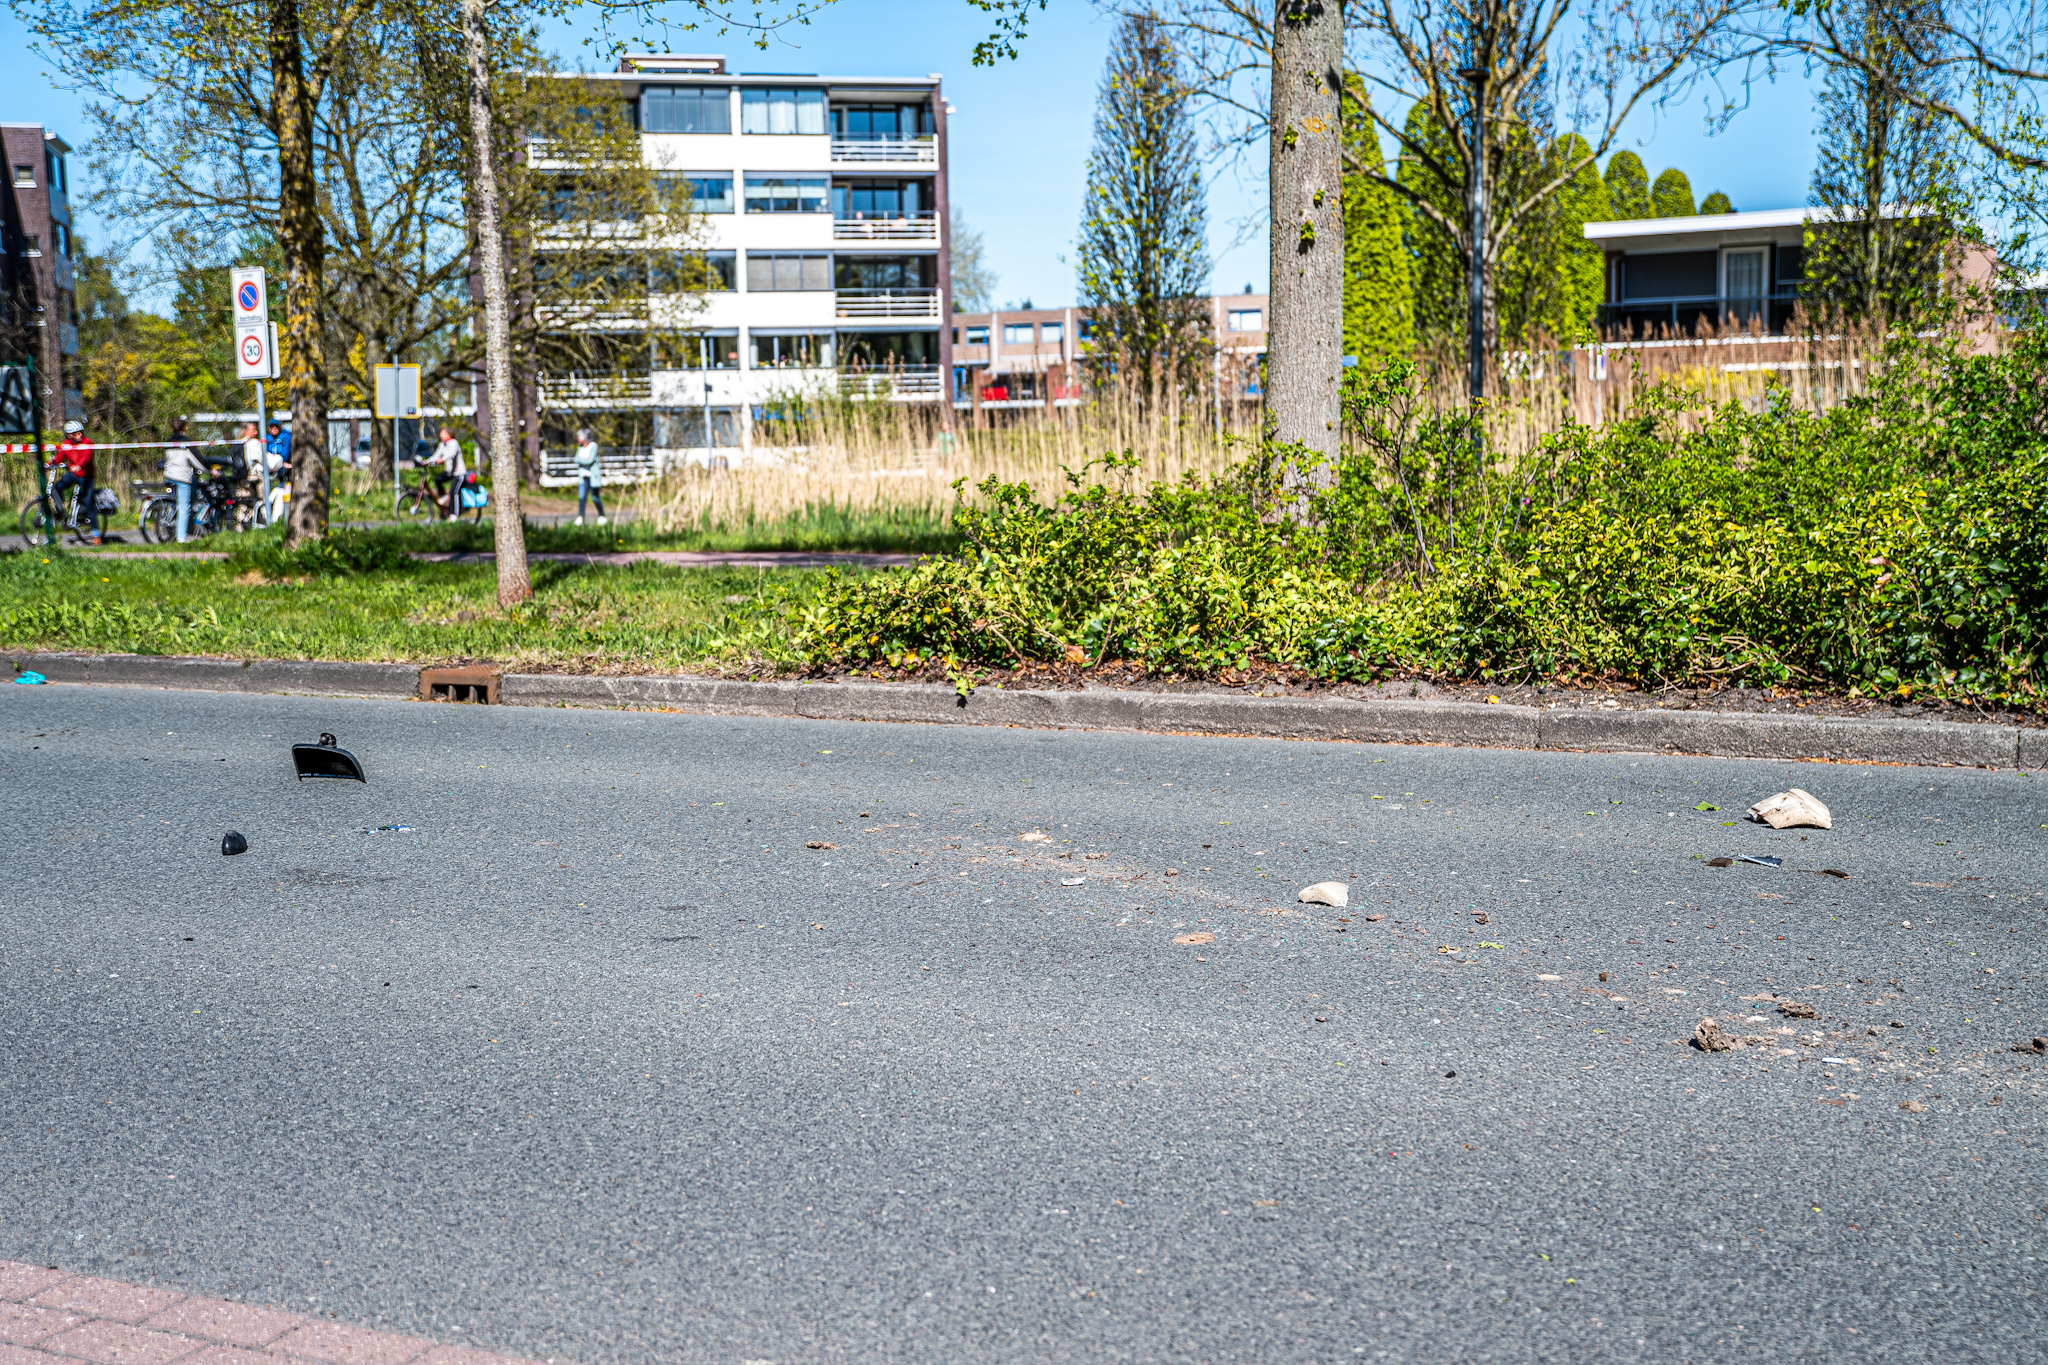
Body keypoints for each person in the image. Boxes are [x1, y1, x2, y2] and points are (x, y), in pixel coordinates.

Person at [51, 420, 99, 545]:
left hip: (86, 475)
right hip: (73, 474)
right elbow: (60, 457)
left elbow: (87, 457)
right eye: (77, 433)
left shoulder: (87, 442)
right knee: (57, 487)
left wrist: (79, 466)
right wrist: (50, 463)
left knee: (88, 503)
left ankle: (96, 534)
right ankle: (61, 511)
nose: (80, 435)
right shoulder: (66, 444)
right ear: (69, 435)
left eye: (81, 432)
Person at [162, 417, 203, 543]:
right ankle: (181, 537)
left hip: (169, 475)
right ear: (185, 428)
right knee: (184, 506)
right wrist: (208, 469)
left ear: (171, 428)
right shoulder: (186, 443)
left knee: (175, 502)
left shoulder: (168, 443)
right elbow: (196, 461)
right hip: (182, 477)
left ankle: (169, 516)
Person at [424, 426, 466, 516]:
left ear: (449, 434)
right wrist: (426, 461)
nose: (440, 435)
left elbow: (451, 454)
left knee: (453, 492)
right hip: (449, 471)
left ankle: (454, 515)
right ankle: (444, 496)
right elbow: (436, 455)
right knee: (438, 479)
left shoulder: (454, 443)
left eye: (443, 433)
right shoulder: (442, 444)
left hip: (458, 472)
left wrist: (442, 459)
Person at [573, 428, 605, 525]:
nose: (577, 438)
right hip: (583, 477)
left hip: (592, 477)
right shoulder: (580, 448)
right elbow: (576, 459)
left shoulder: (593, 446)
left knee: (595, 497)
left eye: (579, 436)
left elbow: (590, 460)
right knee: (582, 497)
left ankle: (602, 515)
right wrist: (584, 459)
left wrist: (582, 460)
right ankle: (581, 517)